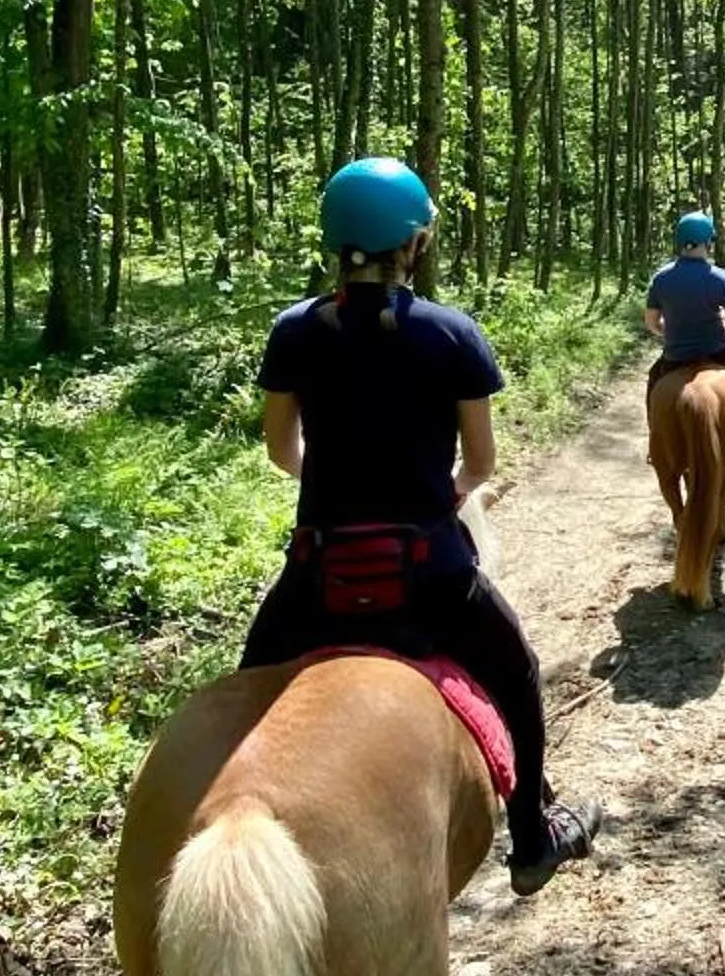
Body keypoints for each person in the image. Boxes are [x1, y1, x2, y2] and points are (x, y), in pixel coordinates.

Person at [241, 155, 599, 896]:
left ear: (337, 242)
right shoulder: (452, 333)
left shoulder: (292, 331)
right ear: (415, 243)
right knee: (519, 673)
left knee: (241, 702)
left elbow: (283, 452)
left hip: (319, 575)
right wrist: (443, 490)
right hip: (429, 571)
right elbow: (482, 461)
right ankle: (533, 837)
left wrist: (340, 483)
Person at [645, 212, 725, 461]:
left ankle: (655, 443)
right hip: (716, 350)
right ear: (707, 242)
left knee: (653, 383)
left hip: (675, 355)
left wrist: (666, 333)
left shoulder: (661, 278)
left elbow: (651, 322)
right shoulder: (718, 277)